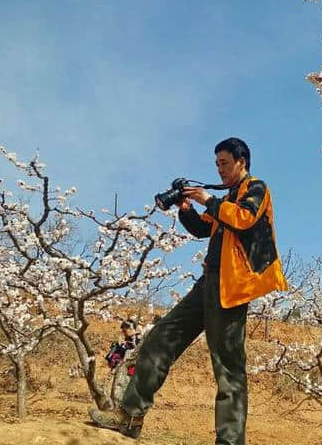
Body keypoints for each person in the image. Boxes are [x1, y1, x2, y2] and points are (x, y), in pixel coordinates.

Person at [89, 137, 288, 444]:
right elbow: (201, 228)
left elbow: (245, 219)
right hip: (207, 282)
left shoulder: (256, 189)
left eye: (224, 163)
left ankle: (230, 440)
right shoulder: (228, 197)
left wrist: (208, 199)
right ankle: (129, 417)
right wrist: (184, 208)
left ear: (241, 162)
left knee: (228, 367)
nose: (219, 169)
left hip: (231, 288)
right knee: (160, 338)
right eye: (216, 164)